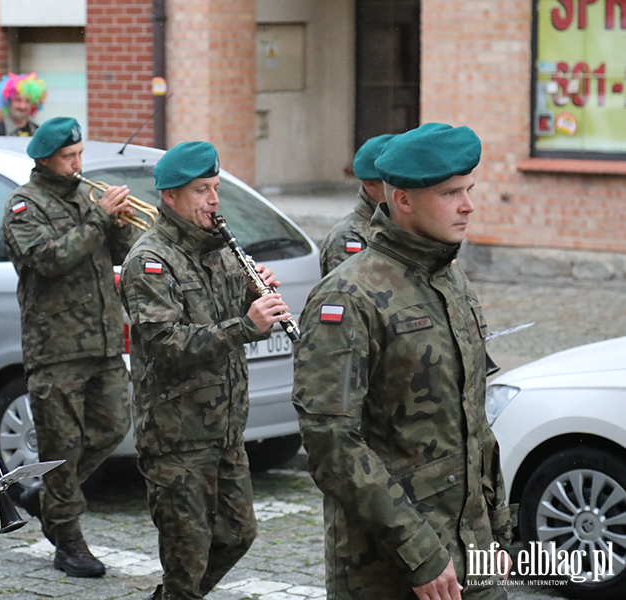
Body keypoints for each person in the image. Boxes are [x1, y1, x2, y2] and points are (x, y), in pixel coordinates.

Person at [292, 123, 514, 600]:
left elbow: (472, 418)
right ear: (404, 200)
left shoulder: (449, 280)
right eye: (450, 193)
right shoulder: (349, 295)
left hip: (472, 551)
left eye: (468, 189)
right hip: (392, 566)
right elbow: (332, 442)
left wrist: (496, 527)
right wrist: (421, 553)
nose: (468, 204)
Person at [119, 141, 293, 600]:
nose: (214, 200)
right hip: (178, 436)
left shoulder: (217, 248)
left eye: (215, 188)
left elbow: (219, 313)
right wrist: (246, 325)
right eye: (202, 190)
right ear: (171, 197)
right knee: (186, 555)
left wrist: (253, 298)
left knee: (238, 533)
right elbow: (166, 344)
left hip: (224, 427)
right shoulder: (149, 261)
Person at [0, 116, 134, 577]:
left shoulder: (84, 196)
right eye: (68, 157)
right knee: (62, 445)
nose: (78, 165)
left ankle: (47, 497)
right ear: (45, 159)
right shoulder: (23, 205)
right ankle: (69, 543)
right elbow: (47, 260)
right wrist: (99, 218)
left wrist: (117, 222)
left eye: (79, 155)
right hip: (55, 346)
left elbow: (118, 252)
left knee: (115, 425)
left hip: (102, 339)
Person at [319, 133, 394, 277]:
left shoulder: (401, 226)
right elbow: (349, 296)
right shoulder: (349, 237)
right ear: (369, 184)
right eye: (392, 182)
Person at [0, 72, 47, 137]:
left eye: (27, 101)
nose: (22, 106)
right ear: (8, 102)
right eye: (17, 100)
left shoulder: (38, 131)